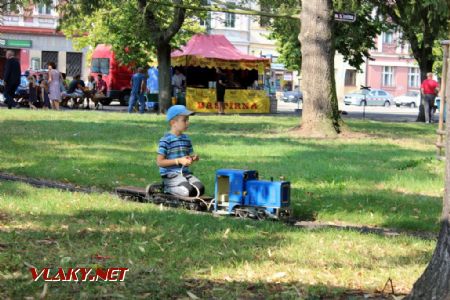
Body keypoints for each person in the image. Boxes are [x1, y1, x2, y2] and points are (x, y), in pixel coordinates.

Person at [156, 105, 204, 197]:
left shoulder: (186, 139)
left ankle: (180, 185)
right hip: (171, 175)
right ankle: (167, 187)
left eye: (188, 120)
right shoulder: (165, 140)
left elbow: (188, 156)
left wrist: (193, 158)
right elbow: (160, 162)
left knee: (200, 188)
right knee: (188, 191)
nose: (188, 123)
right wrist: (178, 161)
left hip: (185, 174)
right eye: (184, 120)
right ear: (173, 123)